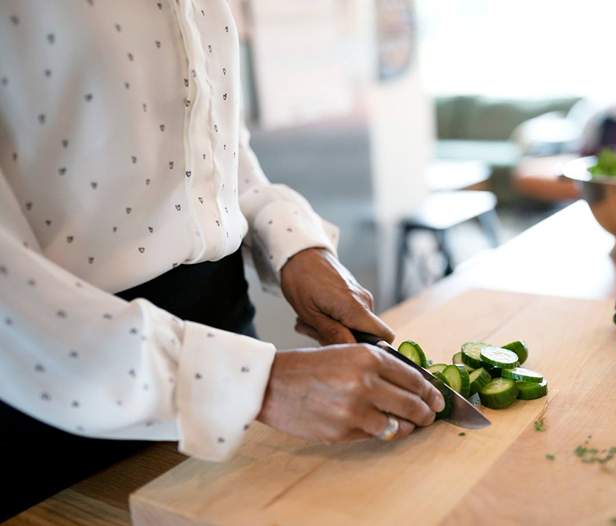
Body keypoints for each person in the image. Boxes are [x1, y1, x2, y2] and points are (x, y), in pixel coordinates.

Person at [0, 2, 443, 518]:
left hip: (225, 339)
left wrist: (297, 246)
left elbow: (213, 145)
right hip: (57, 391)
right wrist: (261, 385)